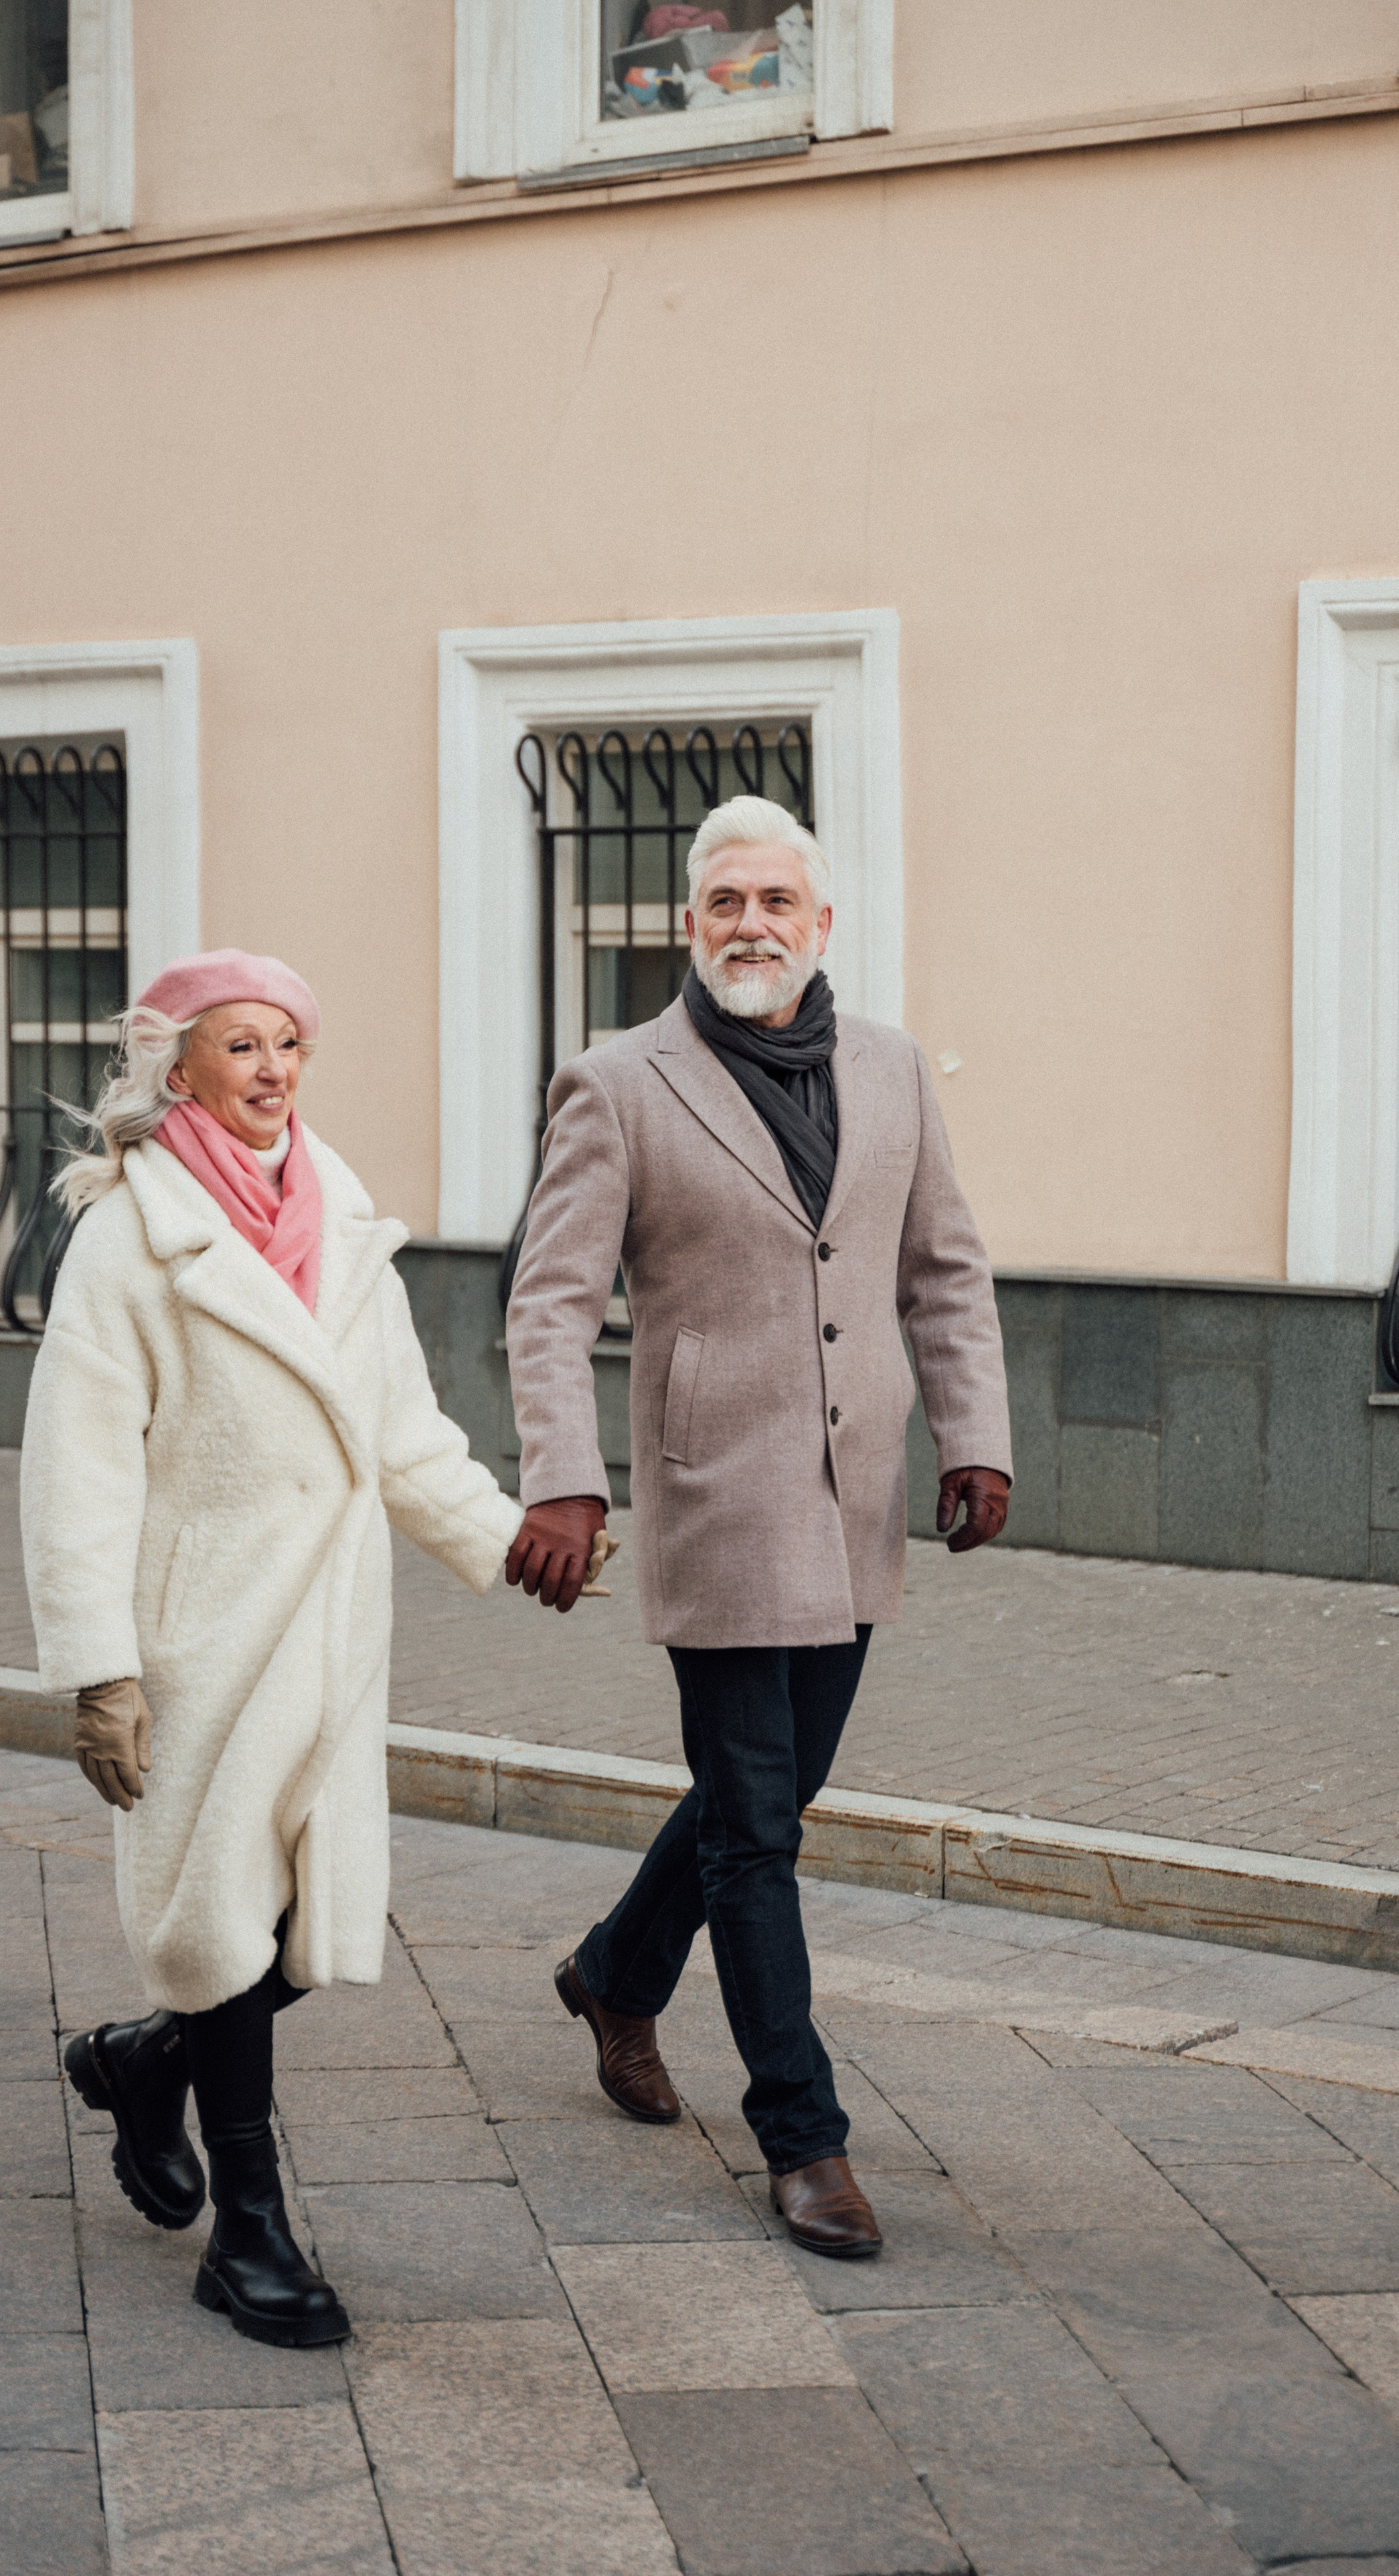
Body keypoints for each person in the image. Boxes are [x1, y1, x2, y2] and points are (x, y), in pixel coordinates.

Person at [503, 797, 1011, 2260]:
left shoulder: (892, 1068)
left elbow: (943, 1270)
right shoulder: (617, 1082)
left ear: (820, 922)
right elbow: (548, 1300)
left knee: (762, 1806)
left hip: (854, 1506)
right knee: (754, 1841)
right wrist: (564, 1473)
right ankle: (804, 2133)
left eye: (775, 901)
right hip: (715, 1502)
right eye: (723, 900)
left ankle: (615, 1972)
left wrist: (971, 1438)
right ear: (686, 923)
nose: (749, 924)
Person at [21, 949, 521, 2345]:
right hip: (200, 1640)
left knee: (300, 1931)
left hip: (330, 1636)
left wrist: (505, 1541)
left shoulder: (345, 1222)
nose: (270, 1069)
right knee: (224, 1932)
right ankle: (248, 2228)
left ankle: (140, 2060)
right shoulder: (130, 1240)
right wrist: (97, 1667)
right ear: (177, 1069)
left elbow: (402, 1430)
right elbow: (77, 1469)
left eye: (287, 1042)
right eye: (239, 1045)